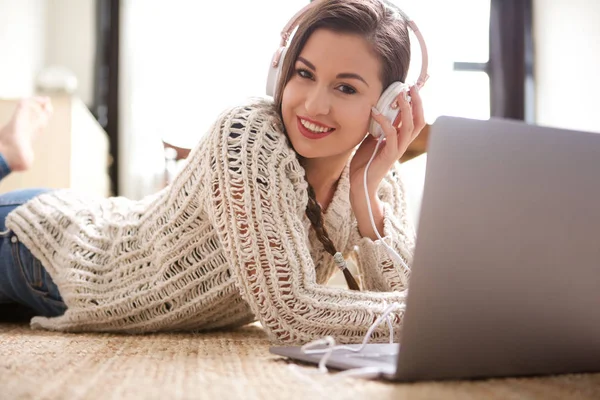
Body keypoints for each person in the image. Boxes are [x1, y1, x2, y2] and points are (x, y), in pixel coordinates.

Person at [0, 0, 426, 345]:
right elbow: (293, 314)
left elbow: (405, 304)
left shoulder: (377, 181)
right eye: (304, 73)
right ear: (281, 71)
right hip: (44, 251)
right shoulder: (248, 136)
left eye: (346, 87)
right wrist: (437, 314)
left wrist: (365, 198)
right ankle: (9, 152)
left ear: (387, 106)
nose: (314, 104)